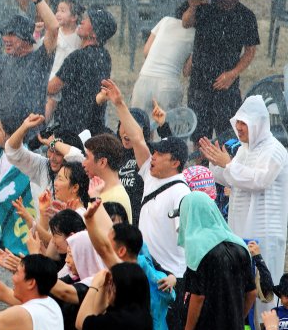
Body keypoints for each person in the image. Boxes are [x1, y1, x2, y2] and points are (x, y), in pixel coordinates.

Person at [103, 78, 190, 279]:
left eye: (159, 154)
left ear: (175, 163)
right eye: (154, 152)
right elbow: (137, 139)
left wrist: (176, 278)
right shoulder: (150, 175)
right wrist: (119, 104)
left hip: (169, 276)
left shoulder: (181, 192)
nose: (153, 157)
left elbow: (188, 240)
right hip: (145, 267)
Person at [82, 200, 178, 330]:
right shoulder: (146, 277)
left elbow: (82, 323)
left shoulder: (131, 272)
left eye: (110, 241)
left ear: (121, 251)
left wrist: (97, 285)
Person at [200, 94, 288, 282]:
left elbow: (260, 180)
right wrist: (215, 163)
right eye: (237, 122)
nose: (238, 127)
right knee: (242, 288)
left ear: (258, 124)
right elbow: (232, 179)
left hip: (265, 234)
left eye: (244, 123)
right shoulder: (243, 150)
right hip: (240, 232)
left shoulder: (275, 150)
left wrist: (228, 164)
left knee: (264, 288)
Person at [174, 191, 257, 330]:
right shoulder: (240, 246)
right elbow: (251, 293)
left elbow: (198, 297)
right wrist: (235, 319)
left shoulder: (198, 247)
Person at [179, 0, 259, 142]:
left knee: (229, 137)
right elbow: (185, 23)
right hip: (199, 83)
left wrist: (232, 74)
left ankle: (225, 157)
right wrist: (193, 6)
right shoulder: (204, 7)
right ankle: (201, 158)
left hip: (227, 87)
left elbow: (250, 51)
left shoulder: (246, 16)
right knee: (200, 137)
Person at [48, 7, 116, 135]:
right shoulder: (105, 57)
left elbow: (51, 88)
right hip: (93, 127)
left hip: (70, 127)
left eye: (88, 20)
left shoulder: (77, 57)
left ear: (94, 34)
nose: (82, 21)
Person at [0, 113, 34, 267]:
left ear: (9, 133)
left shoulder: (25, 157)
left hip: (19, 221)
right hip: (2, 217)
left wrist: (2, 196)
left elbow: (22, 190)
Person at [4, 113, 85, 200]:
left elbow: (78, 157)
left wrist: (53, 143)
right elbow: (13, 152)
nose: (52, 158)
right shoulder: (42, 167)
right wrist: (24, 127)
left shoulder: (82, 172)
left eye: (58, 153)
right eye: (51, 150)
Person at [131, 14, 194, 111]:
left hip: (145, 79)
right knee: (166, 120)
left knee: (137, 119)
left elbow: (146, 52)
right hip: (168, 85)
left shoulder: (166, 21)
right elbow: (186, 71)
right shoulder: (196, 34)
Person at [45, 0, 84, 121]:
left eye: (62, 11)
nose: (58, 14)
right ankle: (41, 125)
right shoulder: (56, 32)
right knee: (50, 100)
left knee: (53, 101)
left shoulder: (79, 35)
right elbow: (42, 46)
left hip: (67, 77)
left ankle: (43, 124)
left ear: (74, 17)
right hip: (53, 75)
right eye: (57, 10)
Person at [81, 133, 132, 220]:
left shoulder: (115, 198)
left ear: (102, 162)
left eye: (87, 157)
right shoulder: (100, 192)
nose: (83, 164)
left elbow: (100, 228)